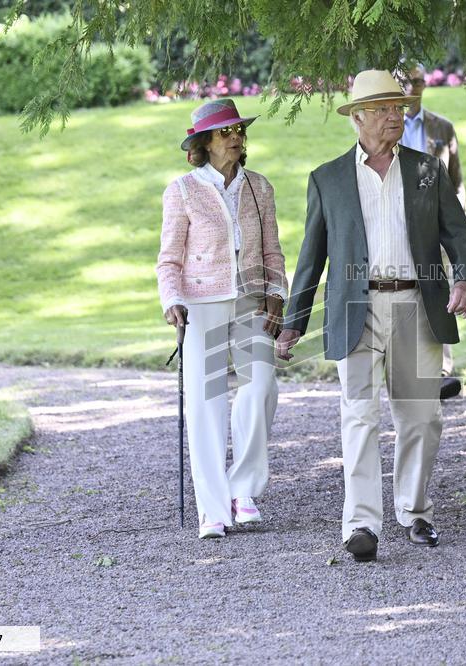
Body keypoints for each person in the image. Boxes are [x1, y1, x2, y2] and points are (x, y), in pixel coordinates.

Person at [276, 70, 466, 562]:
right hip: (355, 307)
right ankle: (361, 525)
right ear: (359, 117)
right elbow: (312, 256)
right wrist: (293, 322)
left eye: (400, 106)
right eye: (387, 107)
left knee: (421, 418)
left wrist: (465, 278)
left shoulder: (428, 169)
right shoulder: (328, 179)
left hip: (416, 304)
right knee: (359, 418)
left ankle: (415, 512)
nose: (398, 113)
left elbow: (459, 233)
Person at [157, 99, 288, 539]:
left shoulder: (260, 188)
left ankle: (243, 489)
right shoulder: (182, 190)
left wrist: (277, 294)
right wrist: (172, 298)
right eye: (224, 132)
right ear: (204, 144)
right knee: (207, 402)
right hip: (202, 304)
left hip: (251, 300)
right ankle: (212, 509)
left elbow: (273, 250)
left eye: (238, 130)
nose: (235, 138)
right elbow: (168, 259)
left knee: (262, 386)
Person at [400, 64, 466, 400]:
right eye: (404, 81)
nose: (411, 88)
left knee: (438, 288)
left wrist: (461, 229)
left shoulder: (442, 127)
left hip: (436, 221)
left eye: (416, 81)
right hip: (399, 219)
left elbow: (456, 183)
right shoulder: (388, 125)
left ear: (425, 84)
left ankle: (441, 371)